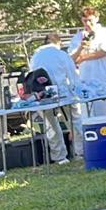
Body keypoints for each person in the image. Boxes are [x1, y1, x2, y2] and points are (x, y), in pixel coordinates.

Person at [27, 32, 82, 164]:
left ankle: (59, 156)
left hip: (43, 95)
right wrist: (76, 92)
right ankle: (81, 151)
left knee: (50, 124)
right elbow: (73, 76)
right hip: (63, 93)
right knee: (74, 121)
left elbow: (32, 76)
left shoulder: (35, 56)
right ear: (59, 43)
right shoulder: (61, 54)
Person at [68, 5, 106, 120]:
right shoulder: (78, 37)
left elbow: (104, 51)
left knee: (105, 116)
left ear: (96, 18)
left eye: (90, 20)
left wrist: (83, 57)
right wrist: (80, 48)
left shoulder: (105, 33)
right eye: (85, 21)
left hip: (103, 81)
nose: (88, 23)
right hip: (85, 82)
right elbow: (72, 59)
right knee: (87, 117)